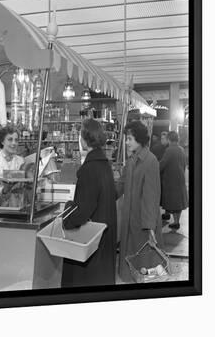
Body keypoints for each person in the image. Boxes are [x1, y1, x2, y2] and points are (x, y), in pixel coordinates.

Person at [61, 119, 117, 287]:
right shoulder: (104, 164)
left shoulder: (89, 169)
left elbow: (83, 211)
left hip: (92, 242)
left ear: (84, 139)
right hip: (105, 234)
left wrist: (67, 213)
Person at [116, 121, 163, 283]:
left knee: (145, 266)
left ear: (139, 139)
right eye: (126, 139)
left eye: (129, 139)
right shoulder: (130, 161)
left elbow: (152, 196)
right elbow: (119, 186)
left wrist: (150, 226)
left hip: (143, 223)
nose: (126, 142)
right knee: (132, 262)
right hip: (130, 220)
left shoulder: (151, 161)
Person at [160, 131, 189, 230]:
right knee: (179, 202)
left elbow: (162, 164)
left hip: (171, 180)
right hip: (180, 178)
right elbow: (184, 164)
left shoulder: (169, 150)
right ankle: (176, 222)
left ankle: (176, 222)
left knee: (173, 202)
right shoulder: (181, 149)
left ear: (169, 139)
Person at [0, 125, 24, 197]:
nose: (14, 143)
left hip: (15, 202)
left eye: (16, 140)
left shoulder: (21, 161)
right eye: (10, 139)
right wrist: (3, 190)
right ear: (2, 141)